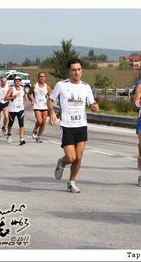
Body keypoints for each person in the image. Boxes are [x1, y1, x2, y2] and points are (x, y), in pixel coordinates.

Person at [48, 58, 99, 193]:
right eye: (73, 70)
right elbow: (50, 99)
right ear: (69, 71)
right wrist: (52, 112)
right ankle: (62, 162)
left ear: (81, 70)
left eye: (79, 69)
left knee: (79, 157)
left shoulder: (86, 87)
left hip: (81, 125)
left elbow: (91, 103)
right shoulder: (61, 85)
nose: (76, 72)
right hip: (67, 126)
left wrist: (94, 106)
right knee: (71, 157)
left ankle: (71, 182)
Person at [27, 72, 52, 143]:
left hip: (44, 106)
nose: (42, 78)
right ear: (38, 78)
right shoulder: (35, 86)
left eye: (43, 76)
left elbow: (51, 96)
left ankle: (39, 136)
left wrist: (49, 100)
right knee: (40, 121)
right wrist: (32, 100)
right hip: (37, 106)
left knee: (43, 122)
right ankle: (35, 129)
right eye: (40, 76)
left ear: (45, 78)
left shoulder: (47, 87)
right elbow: (29, 94)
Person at [4, 76, 28, 145]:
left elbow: (23, 95)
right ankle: (9, 134)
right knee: (10, 123)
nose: (18, 82)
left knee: (21, 124)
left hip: (20, 109)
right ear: (14, 82)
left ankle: (21, 138)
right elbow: (5, 98)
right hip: (12, 109)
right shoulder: (11, 89)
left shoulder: (22, 89)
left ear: (20, 82)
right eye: (16, 81)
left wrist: (25, 97)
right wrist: (13, 97)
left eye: (19, 81)